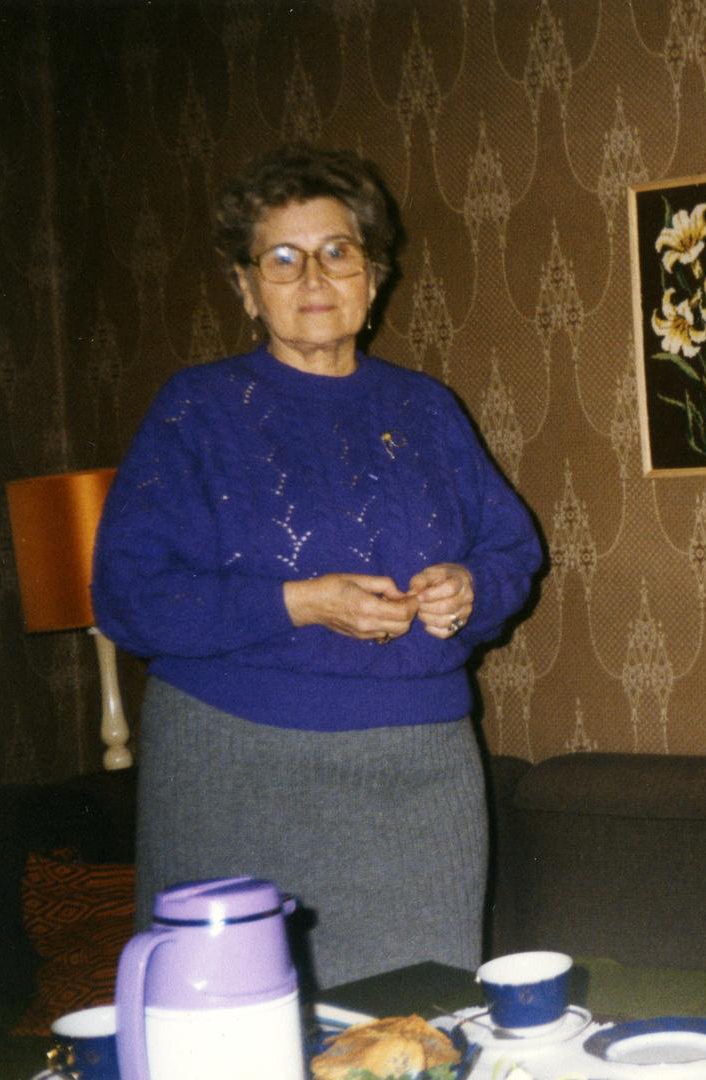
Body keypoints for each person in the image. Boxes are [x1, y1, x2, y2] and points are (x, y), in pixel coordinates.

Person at [91, 144, 543, 988]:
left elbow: (513, 551)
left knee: (417, 1022)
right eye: (282, 258)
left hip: (419, 777)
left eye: (337, 251)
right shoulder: (197, 409)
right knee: (235, 1025)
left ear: (373, 277)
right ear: (245, 287)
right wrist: (300, 602)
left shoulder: (428, 408)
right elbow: (127, 594)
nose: (313, 277)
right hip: (236, 772)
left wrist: (470, 590)